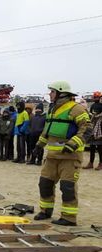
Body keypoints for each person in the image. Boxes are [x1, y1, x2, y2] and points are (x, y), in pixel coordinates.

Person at [33, 81, 92, 226]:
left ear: (61, 93)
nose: (50, 94)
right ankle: (45, 211)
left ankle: (69, 218)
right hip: (52, 156)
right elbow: (47, 130)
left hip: (70, 157)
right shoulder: (53, 109)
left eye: (52, 92)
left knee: (67, 187)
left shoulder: (76, 109)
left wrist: (73, 144)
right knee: (45, 184)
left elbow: (87, 129)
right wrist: (39, 145)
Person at [84, 91, 102, 170]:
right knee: (92, 147)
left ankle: (101, 163)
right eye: (95, 97)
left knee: (100, 147)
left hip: (99, 128)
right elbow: (90, 114)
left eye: (97, 97)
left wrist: (98, 116)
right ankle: (91, 163)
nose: (96, 98)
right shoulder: (92, 106)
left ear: (100, 97)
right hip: (92, 127)